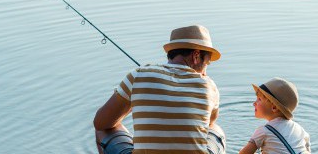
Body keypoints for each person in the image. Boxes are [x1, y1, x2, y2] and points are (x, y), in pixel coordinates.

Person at [93, 25, 226, 154]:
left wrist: (134, 99)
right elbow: (209, 124)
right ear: (196, 56)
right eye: (207, 63)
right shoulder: (209, 86)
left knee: (103, 129)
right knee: (216, 130)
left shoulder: (139, 75)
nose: (205, 71)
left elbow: (100, 123)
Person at [239, 78, 311, 154]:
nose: (254, 103)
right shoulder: (300, 130)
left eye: (259, 99)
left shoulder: (263, 131)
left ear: (274, 107)